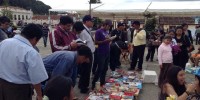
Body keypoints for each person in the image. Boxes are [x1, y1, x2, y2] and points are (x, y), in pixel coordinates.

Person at [0, 23, 48, 100]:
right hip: (18, 90)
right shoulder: (31, 52)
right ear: (35, 39)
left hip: (2, 84)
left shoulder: (4, 42)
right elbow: (36, 78)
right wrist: (39, 95)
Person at [77, 15, 95, 93]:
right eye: (91, 21)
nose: (92, 23)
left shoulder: (87, 30)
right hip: (86, 54)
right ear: (87, 21)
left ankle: (82, 85)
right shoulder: (83, 31)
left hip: (89, 53)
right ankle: (84, 88)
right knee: (86, 71)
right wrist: (86, 56)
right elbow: (83, 44)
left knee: (86, 71)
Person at [92, 20, 112, 90]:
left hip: (107, 51)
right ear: (105, 24)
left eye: (110, 26)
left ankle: (102, 82)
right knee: (100, 68)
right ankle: (94, 84)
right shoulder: (99, 31)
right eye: (108, 26)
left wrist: (110, 40)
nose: (109, 27)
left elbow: (107, 40)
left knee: (105, 68)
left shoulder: (106, 32)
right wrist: (104, 41)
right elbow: (96, 42)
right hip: (101, 52)